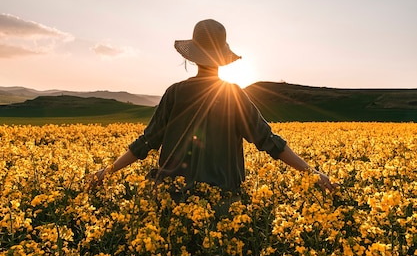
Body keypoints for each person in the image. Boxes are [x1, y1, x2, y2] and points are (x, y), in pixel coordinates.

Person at [91, 19, 336, 194]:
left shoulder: (175, 93)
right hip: (223, 200)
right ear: (222, 57)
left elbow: (146, 143)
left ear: (192, 57)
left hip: (172, 197)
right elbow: (269, 141)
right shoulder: (233, 95)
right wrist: (312, 173)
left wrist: (107, 170)